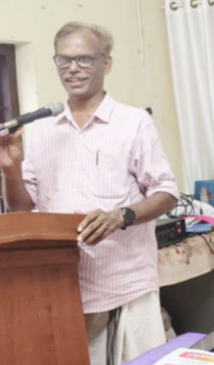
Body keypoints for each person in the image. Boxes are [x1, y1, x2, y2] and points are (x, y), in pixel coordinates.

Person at [0, 21, 179, 364]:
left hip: (123, 286)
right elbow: (22, 208)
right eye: (63, 60)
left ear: (105, 63)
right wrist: (10, 170)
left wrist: (121, 216)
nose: (73, 68)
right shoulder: (43, 129)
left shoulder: (134, 122)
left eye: (84, 59)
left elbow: (167, 192)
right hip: (62, 285)